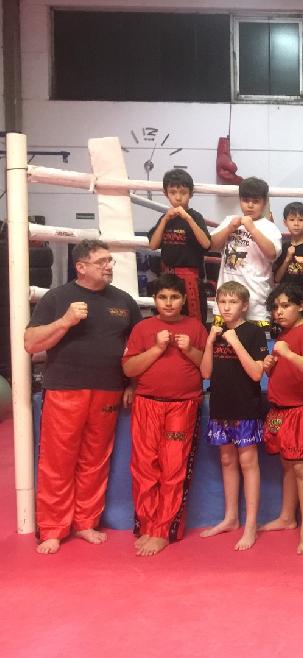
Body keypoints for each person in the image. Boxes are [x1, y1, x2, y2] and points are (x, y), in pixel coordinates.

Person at [25, 239, 142, 554]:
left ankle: (86, 522)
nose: (109, 266)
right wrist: (65, 321)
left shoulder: (124, 301)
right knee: (58, 460)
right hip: (66, 389)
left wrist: (132, 384)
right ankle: (53, 528)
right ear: (81, 267)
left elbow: (137, 347)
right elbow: (30, 343)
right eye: (102, 261)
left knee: (95, 459)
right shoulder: (57, 297)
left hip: (109, 389)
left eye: (109, 261)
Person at [122, 274, 207, 556]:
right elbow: (129, 369)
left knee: (173, 468)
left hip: (183, 405)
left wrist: (190, 349)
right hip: (147, 404)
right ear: (155, 300)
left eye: (174, 297)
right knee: (144, 467)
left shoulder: (195, 327)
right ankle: (148, 525)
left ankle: (164, 530)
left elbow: (208, 369)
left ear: (183, 300)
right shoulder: (143, 328)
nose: (168, 303)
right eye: (163, 297)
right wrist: (157, 348)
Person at [199, 281, 269, 551]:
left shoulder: (254, 332)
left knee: (248, 462)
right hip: (220, 406)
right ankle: (230, 517)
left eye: (233, 302)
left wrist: (235, 341)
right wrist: (209, 342)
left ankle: (250, 524)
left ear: (244, 305)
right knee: (227, 460)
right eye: (223, 302)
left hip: (245, 407)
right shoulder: (214, 332)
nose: (226, 307)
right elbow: (205, 373)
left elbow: (256, 373)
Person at [259, 283, 303, 555]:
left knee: (301, 468)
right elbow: (287, 373)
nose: (279, 311)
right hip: (281, 410)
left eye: (285, 305)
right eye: (275, 307)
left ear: (300, 305)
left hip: (302, 410)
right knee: (288, 465)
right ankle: (287, 517)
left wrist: (287, 354)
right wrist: (270, 366)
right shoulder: (284, 334)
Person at [209, 177, 282, 325]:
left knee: (255, 339)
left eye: (255, 201)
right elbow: (211, 246)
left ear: (264, 203)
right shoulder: (230, 220)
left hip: (256, 301)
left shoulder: (270, 227)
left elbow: (272, 254)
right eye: (245, 200)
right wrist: (230, 228)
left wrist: (252, 229)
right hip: (226, 301)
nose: (250, 205)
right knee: (223, 339)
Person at [147, 168, 211, 322]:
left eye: (183, 192)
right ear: (166, 193)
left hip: (190, 278)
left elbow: (206, 244)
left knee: (193, 321)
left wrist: (188, 218)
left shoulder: (195, 216)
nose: (178, 197)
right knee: (168, 318)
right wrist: (164, 220)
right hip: (167, 277)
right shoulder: (165, 218)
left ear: (190, 194)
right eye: (173, 192)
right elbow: (153, 245)